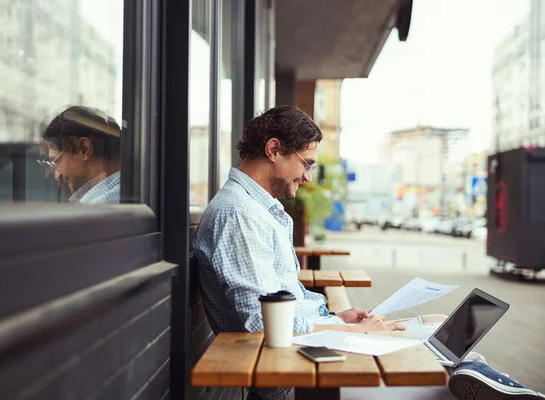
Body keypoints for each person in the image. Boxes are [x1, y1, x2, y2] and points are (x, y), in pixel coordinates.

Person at [192, 106, 545, 400]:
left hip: (312, 345)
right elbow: (260, 324)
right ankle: (482, 382)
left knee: (442, 327)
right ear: (273, 150)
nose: (308, 177)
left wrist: (340, 320)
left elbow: (280, 301)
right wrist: (357, 334)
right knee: (441, 378)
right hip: (299, 369)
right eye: (307, 163)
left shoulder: (256, 209)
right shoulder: (239, 215)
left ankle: (486, 378)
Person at [40, 106, 121, 204]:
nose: (57, 176)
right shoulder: (121, 192)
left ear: (83, 149)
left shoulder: (101, 205)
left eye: (56, 162)